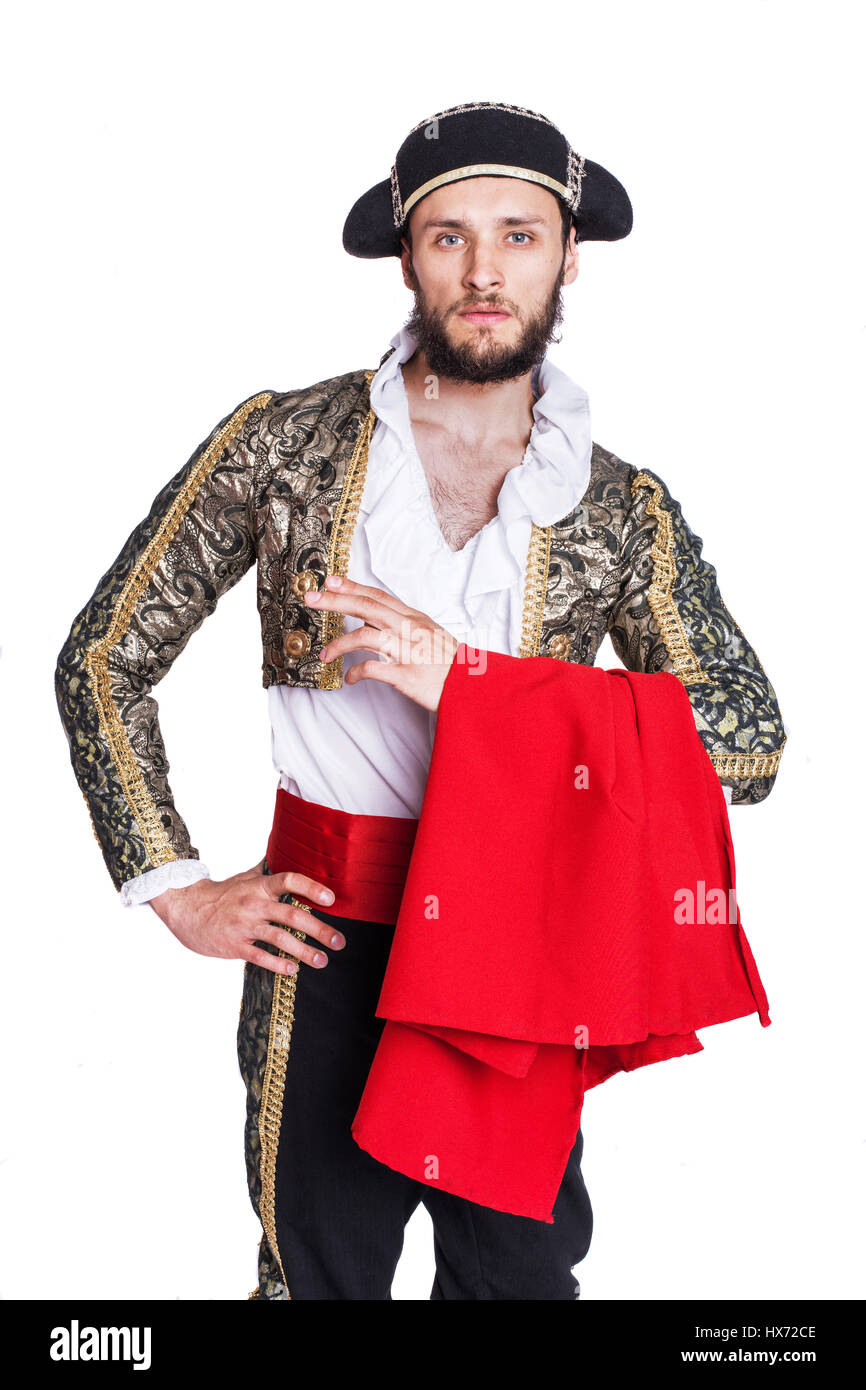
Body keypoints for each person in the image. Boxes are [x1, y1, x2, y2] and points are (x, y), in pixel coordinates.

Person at [55, 101, 786, 1301]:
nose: (484, 269)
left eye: (518, 233)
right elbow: (102, 654)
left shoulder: (617, 509)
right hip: (319, 928)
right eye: (448, 236)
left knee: (518, 1285)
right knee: (316, 1282)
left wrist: (479, 689)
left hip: (522, 951)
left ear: (566, 255)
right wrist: (173, 885)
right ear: (405, 257)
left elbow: (747, 741)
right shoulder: (280, 442)